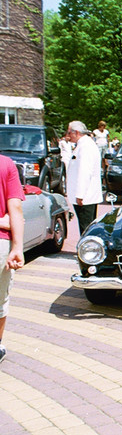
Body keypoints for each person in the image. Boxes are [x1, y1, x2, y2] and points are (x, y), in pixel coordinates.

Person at [0, 154, 25, 364]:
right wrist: (17, 247)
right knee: (0, 300)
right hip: (1, 242)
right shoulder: (6, 164)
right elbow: (15, 208)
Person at [66, 121, 104, 234]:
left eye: (69, 132)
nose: (68, 135)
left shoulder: (86, 146)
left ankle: (86, 250)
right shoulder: (84, 145)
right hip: (85, 196)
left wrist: (80, 194)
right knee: (86, 227)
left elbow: (85, 172)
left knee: (86, 228)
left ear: (76, 132)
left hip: (85, 197)